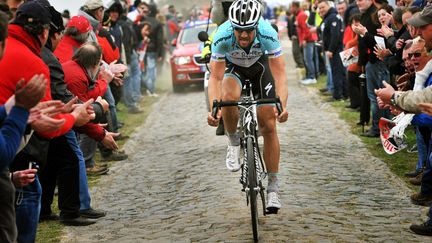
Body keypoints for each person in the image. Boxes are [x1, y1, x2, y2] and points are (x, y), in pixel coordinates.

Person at [207, 0, 288, 213]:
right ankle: (234, 142)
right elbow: (215, 77)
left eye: (248, 31)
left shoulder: (267, 32)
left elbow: (279, 73)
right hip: (235, 69)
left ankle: (272, 188)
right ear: (232, 27)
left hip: (261, 68)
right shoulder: (223, 35)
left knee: (268, 124)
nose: (243, 36)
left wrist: (281, 105)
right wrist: (213, 109)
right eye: (239, 31)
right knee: (227, 96)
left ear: (256, 27)